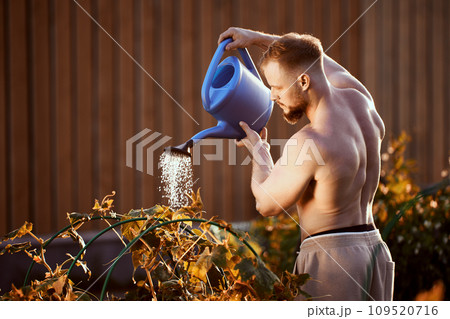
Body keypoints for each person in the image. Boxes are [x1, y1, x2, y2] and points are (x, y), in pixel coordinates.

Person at [218, 27, 394, 301]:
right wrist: (256, 39)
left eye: (276, 87)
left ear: (303, 82)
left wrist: (260, 153)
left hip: (333, 262)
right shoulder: (361, 100)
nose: (272, 96)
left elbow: (266, 204)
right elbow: (316, 59)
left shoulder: (310, 142)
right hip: (375, 253)